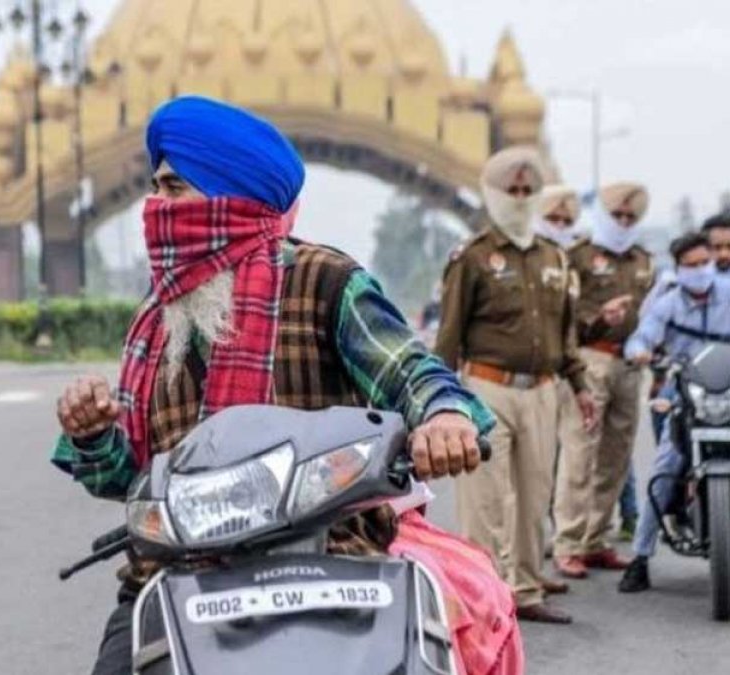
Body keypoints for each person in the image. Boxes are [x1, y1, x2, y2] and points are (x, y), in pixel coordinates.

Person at [51, 96, 520, 675]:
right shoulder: (158, 316)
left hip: (330, 557)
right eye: (156, 189)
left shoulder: (326, 281)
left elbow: (411, 371)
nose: (156, 206)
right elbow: (130, 480)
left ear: (228, 192)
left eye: (174, 188)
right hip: (177, 570)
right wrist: (93, 434)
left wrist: (445, 417)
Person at [436, 146, 598, 625]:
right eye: (513, 190)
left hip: (545, 390)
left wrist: (581, 384)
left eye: (530, 190)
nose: (522, 198)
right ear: (494, 194)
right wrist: (441, 403)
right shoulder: (472, 258)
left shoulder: (557, 259)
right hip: (487, 389)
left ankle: (525, 589)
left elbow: (565, 335)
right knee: (483, 499)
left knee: (533, 496)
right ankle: (482, 594)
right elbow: (449, 337)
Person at [551, 183, 653, 579]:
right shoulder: (576, 256)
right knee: (580, 452)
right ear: (603, 215)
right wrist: (596, 322)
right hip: (589, 358)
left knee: (616, 456)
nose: (624, 223)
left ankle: (595, 539)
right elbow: (558, 315)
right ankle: (568, 542)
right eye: (618, 216)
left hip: (630, 361)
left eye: (631, 218)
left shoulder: (643, 261)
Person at [620, 232, 727, 592]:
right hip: (684, 392)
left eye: (705, 263)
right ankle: (640, 557)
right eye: (691, 266)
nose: (700, 271)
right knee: (666, 467)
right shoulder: (667, 304)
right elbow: (642, 336)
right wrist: (638, 351)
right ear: (678, 269)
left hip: (727, 391)